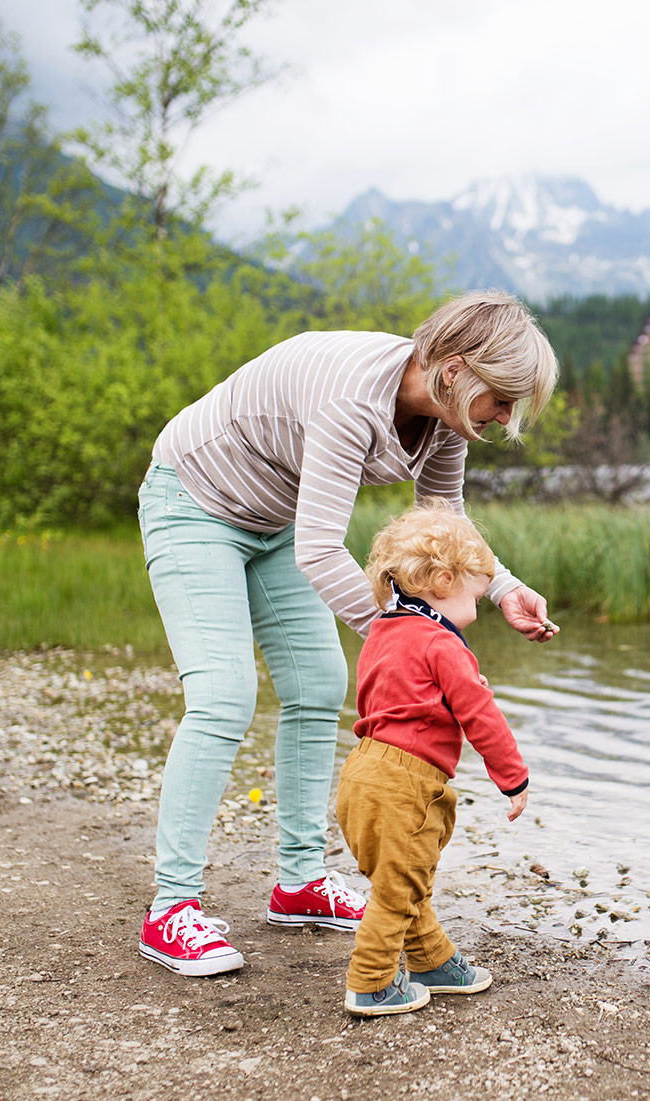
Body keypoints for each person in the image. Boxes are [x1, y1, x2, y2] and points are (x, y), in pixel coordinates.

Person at [135, 290, 557, 978]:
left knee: (318, 684)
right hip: (194, 499)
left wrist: (505, 588)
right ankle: (171, 907)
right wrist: (405, 636)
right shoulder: (351, 397)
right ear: (454, 369)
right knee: (224, 693)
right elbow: (323, 549)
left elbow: (444, 522)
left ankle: (299, 881)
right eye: (502, 398)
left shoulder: (448, 421)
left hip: (275, 520)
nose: (506, 417)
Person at [337, 504, 530, 1016]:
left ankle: (430, 962)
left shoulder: (382, 631)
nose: (480, 601)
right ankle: (372, 981)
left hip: (360, 772)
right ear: (444, 580)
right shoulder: (442, 643)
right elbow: (479, 713)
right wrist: (513, 777)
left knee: (405, 877)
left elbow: (372, 701)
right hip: (405, 782)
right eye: (476, 591)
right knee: (396, 890)